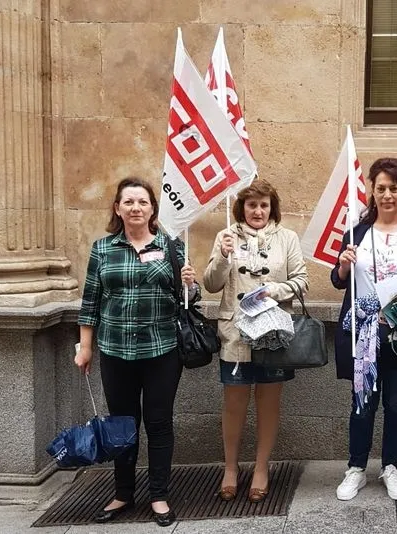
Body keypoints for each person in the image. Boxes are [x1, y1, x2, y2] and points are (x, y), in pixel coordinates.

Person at [74, 177, 197, 528]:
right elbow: (90, 301)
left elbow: (191, 299)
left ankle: (158, 495)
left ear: (152, 209)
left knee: (158, 423)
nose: (135, 208)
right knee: (123, 425)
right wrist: (86, 347)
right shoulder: (103, 248)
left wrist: (190, 284)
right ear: (118, 208)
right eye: (128, 202)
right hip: (115, 351)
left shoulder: (171, 246)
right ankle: (123, 493)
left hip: (162, 350)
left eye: (142, 202)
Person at [202, 179, 309, 504]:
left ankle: (262, 468)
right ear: (242, 208)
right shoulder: (226, 236)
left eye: (264, 205)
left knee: (268, 401)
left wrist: (274, 289)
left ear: (271, 208)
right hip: (236, 334)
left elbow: (302, 280)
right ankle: (230, 469)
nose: (258, 211)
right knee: (234, 402)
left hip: (272, 332)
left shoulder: (287, 238)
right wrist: (223, 256)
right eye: (252, 205)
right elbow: (210, 284)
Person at [331, 158, 397, 502]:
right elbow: (337, 281)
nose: (388, 195)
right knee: (362, 403)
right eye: (381, 188)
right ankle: (356, 467)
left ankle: (390, 466)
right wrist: (343, 266)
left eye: (394, 188)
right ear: (372, 192)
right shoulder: (356, 233)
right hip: (363, 334)